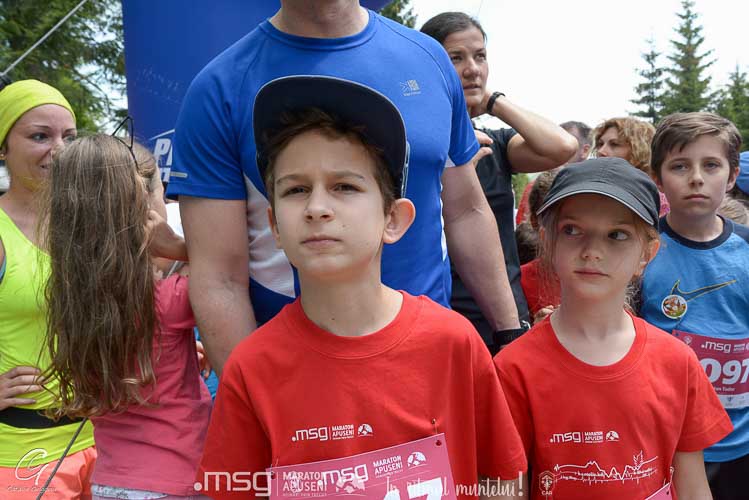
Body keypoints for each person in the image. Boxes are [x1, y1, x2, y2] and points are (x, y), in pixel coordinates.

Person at [198, 75, 527, 500]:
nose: (317, 207)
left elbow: (502, 478)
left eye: (345, 186)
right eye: (296, 189)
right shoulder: (250, 368)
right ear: (275, 225)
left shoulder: (453, 344)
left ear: (394, 219)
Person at [166, 0, 523, 375]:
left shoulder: (429, 58)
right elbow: (219, 277)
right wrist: (255, 396)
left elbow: (466, 211)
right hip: (300, 376)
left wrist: (510, 333)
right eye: (298, 191)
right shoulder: (219, 88)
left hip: (431, 363)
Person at [495, 157, 732, 499]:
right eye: (572, 230)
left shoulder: (677, 362)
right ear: (548, 241)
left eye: (617, 235)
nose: (592, 251)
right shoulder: (512, 369)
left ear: (646, 254)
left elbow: (693, 488)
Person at [41, 133, 212, 499]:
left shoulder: (73, 301)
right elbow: (225, 273)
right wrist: (180, 247)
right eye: (163, 192)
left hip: (109, 483)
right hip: (176, 480)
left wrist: (179, 354)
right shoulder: (170, 299)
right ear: (145, 207)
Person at [420, 11, 577, 351]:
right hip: (438, 314)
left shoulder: (496, 144)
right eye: (456, 58)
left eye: (480, 56)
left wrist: (492, 101)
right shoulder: (414, 148)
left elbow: (563, 146)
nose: (472, 69)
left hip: (504, 319)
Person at [640, 112, 748, 500]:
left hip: (741, 443)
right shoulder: (640, 250)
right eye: (680, 166)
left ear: (732, 177)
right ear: (658, 178)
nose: (696, 178)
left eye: (711, 165)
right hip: (667, 441)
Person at [0, 79, 96, 498]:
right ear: (3, 148)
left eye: (69, 137)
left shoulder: (90, 223)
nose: (59, 149)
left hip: (110, 441)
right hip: (21, 452)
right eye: (40, 136)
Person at [515, 121, 590, 226]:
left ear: (585, 151)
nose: (558, 148)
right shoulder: (534, 187)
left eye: (566, 143)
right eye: (555, 142)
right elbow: (522, 228)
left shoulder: (593, 192)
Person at [592, 116, 670, 216]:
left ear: (639, 150)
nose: (601, 151)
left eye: (614, 144)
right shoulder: (590, 190)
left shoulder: (657, 200)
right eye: (600, 144)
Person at [518, 168, 562, 324]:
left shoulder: (603, 274)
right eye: (553, 218)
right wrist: (536, 329)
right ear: (535, 222)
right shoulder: (519, 280)